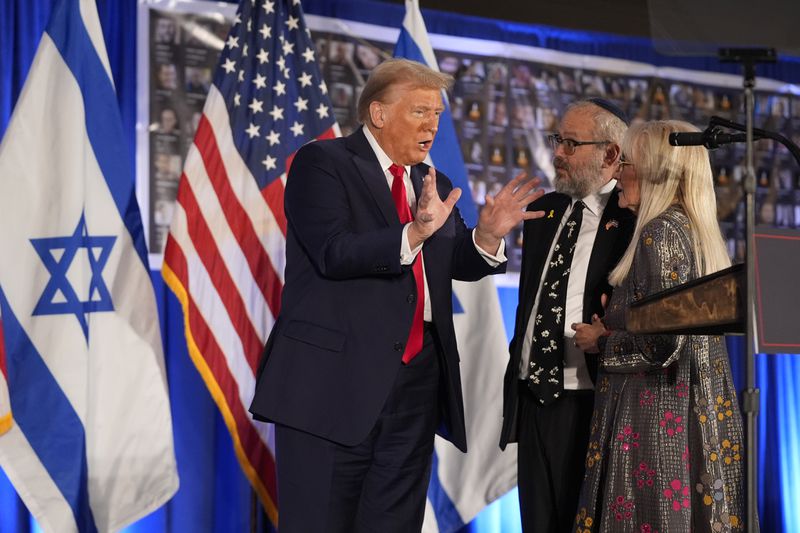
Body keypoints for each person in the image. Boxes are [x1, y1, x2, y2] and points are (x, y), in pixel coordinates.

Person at [249, 58, 544, 533]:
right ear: (379, 114)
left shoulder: (434, 183)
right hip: (332, 386)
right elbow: (334, 252)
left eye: (437, 115)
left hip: (415, 387)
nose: (432, 125)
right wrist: (415, 230)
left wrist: (486, 237)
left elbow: (450, 263)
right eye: (420, 112)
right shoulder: (322, 164)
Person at [571, 120, 747, 531]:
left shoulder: (660, 233)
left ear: (654, 171)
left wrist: (603, 339)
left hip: (658, 420)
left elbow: (664, 344)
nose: (616, 173)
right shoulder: (691, 229)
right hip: (693, 412)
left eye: (626, 162)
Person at [500, 98, 635, 533]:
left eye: (570, 144)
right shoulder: (544, 213)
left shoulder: (632, 219)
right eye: (558, 140)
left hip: (594, 402)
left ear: (611, 155)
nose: (557, 152)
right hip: (534, 398)